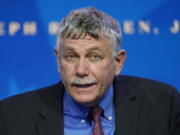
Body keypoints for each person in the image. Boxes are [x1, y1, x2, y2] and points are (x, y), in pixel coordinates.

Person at [0, 7, 180, 135]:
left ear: (118, 62)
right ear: (58, 59)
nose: (81, 70)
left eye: (94, 56)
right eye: (71, 56)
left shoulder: (164, 106)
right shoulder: (11, 117)